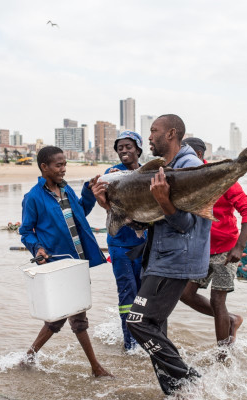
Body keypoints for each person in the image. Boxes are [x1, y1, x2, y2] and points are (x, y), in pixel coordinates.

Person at [125, 115, 211, 395]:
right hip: (158, 256)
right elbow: (151, 220)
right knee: (155, 328)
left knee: (137, 321)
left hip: (176, 259)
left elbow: (187, 225)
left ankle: (191, 378)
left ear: (171, 134)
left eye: (153, 131)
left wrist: (163, 201)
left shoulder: (190, 167)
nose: (148, 137)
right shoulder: (164, 167)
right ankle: (175, 391)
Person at [19, 146, 112, 378]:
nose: (63, 169)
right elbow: (25, 231)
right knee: (77, 317)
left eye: (64, 165)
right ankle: (96, 368)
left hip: (78, 262)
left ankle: (28, 357)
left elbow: (81, 213)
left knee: (59, 318)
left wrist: (89, 193)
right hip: (57, 264)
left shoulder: (67, 189)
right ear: (44, 167)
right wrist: (38, 248)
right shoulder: (33, 197)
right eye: (58, 165)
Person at [179, 137, 247, 357]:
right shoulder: (185, 179)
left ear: (200, 156)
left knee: (217, 299)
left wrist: (240, 247)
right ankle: (231, 320)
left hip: (226, 249)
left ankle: (223, 355)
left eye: (188, 155)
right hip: (201, 248)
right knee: (185, 294)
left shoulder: (222, 178)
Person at [92, 131, 146, 351]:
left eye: (128, 146)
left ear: (138, 149)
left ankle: (147, 339)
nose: (124, 151)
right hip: (119, 243)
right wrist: (105, 190)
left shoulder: (146, 173)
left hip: (145, 243)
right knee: (127, 293)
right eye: (120, 148)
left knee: (145, 294)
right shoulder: (111, 174)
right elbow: (108, 205)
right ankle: (130, 344)